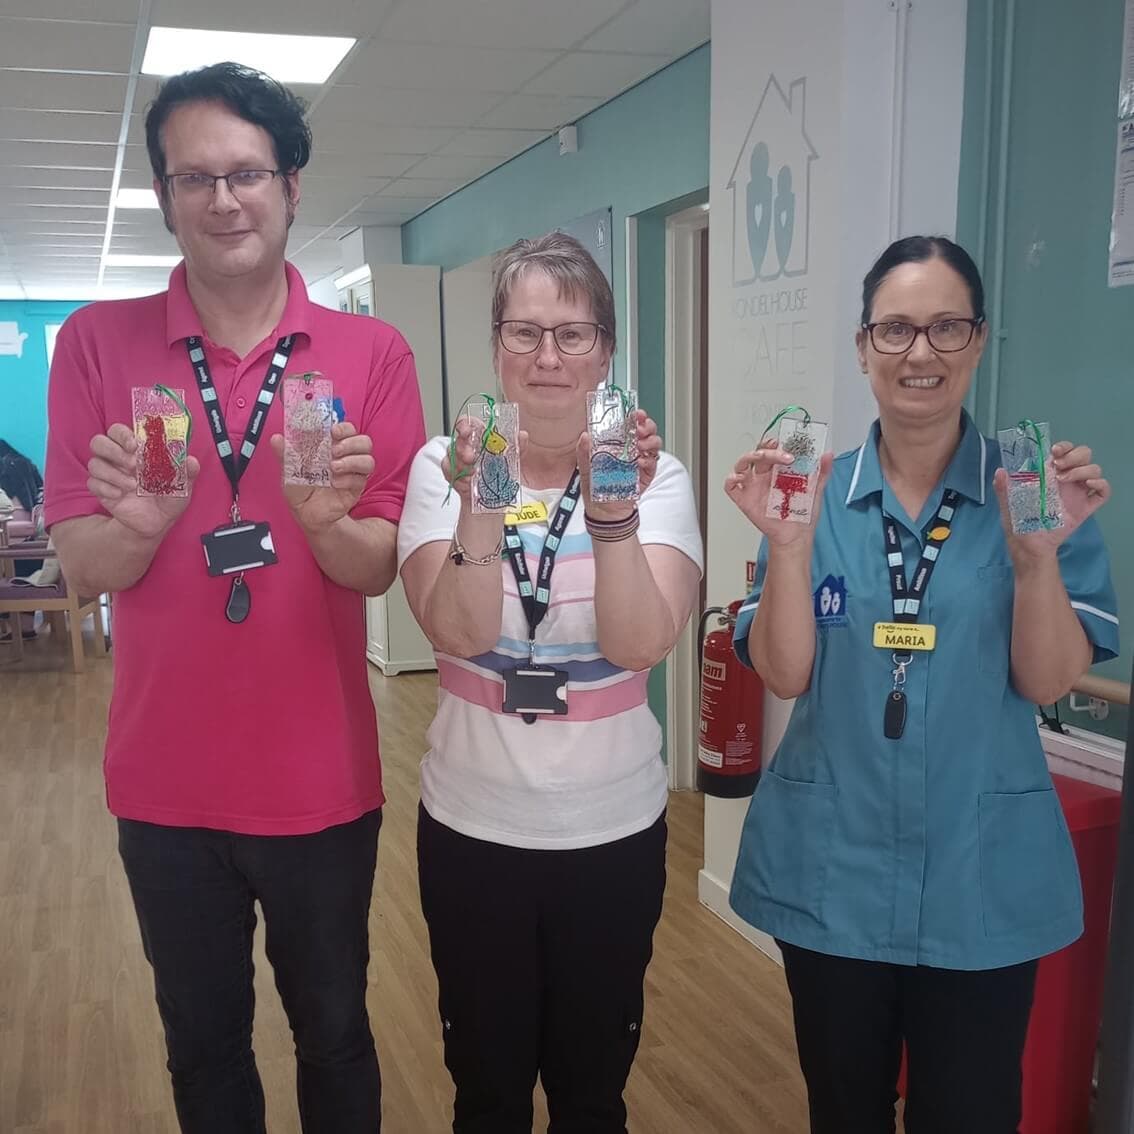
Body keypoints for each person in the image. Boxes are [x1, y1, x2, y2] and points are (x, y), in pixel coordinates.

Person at [44, 62, 425, 1133]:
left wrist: (320, 520)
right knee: (203, 1051)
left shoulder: (372, 352)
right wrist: (144, 521)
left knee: (337, 1036)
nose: (224, 199)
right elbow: (82, 569)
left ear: (292, 184)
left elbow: (377, 568)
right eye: (194, 177)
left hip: (320, 778)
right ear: (165, 196)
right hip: (163, 784)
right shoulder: (94, 344)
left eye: (247, 172)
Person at [725, 235, 1119, 1134]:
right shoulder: (809, 498)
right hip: (837, 874)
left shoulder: (1034, 498)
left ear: (978, 341)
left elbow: (1048, 676)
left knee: (971, 1114)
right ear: (863, 348)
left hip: (981, 875)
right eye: (896, 329)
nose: (920, 353)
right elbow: (785, 673)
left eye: (946, 327)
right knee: (846, 1112)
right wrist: (787, 550)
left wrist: (1035, 564)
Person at [398, 232, 702, 1134]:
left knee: (591, 1090)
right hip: (473, 831)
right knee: (486, 1091)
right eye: (524, 332)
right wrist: (483, 489)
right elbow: (457, 629)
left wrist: (614, 518)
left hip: (610, 834)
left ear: (605, 349)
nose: (547, 357)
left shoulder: (659, 479)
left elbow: (641, 643)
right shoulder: (439, 469)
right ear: (496, 344)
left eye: (572, 335)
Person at [0, 438, 46, 639]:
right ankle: (25, 626)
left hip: (17, 550)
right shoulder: (27, 465)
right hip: (38, 549)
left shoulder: (5, 471)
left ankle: (13, 627)